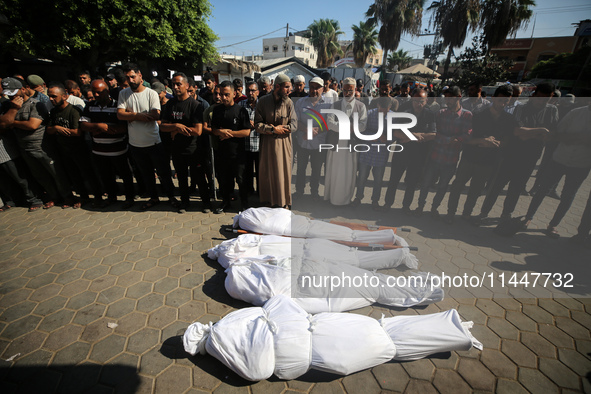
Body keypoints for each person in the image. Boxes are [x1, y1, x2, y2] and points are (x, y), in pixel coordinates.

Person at [476, 82, 559, 222]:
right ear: (533, 95)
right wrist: (541, 131)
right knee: (496, 186)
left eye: (546, 99)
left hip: (531, 157)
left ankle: (506, 214)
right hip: (510, 154)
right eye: (539, 97)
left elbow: (551, 135)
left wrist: (529, 133)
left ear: (551, 98)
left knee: (516, 188)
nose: (541, 101)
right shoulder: (522, 108)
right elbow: (517, 132)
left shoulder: (552, 110)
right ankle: (484, 212)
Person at [445, 85, 515, 224]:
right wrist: (481, 141)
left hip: (488, 162)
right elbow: (466, 138)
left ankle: (467, 213)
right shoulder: (478, 115)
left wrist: (497, 144)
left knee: (476, 190)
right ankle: (450, 212)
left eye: (506, 101)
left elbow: (507, 140)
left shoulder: (508, 119)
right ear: (493, 98)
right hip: (469, 158)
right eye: (500, 100)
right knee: (457, 186)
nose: (502, 104)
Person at [523, 97, 591, 238]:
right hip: (559, 159)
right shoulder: (576, 113)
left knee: (568, 195)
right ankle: (528, 217)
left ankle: (553, 224)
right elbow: (557, 134)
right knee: (543, 189)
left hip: (581, 165)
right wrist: (579, 138)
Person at [117, 62, 180, 211]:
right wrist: (138, 115)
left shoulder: (151, 93)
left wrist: (130, 115)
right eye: (127, 78)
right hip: (135, 144)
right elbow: (120, 114)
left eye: (133, 76)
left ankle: (171, 196)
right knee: (146, 174)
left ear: (140, 75)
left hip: (153, 141)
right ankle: (153, 198)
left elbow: (155, 115)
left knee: (163, 172)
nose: (130, 80)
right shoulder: (123, 94)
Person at [0, 77, 71, 209]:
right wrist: (14, 109)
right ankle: (54, 197)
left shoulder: (36, 104)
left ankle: (67, 196)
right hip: (24, 148)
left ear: (23, 89)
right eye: (9, 94)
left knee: (56, 173)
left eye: (14, 93)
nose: (12, 97)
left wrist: (13, 123)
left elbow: (33, 125)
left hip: (42, 147)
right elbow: (3, 124)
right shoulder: (9, 107)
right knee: (41, 175)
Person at [415, 86, 472, 218]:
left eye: (450, 98)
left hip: (451, 160)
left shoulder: (467, 115)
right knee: (425, 185)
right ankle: (420, 206)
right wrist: (450, 139)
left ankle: (434, 208)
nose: (447, 101)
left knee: (442, 187)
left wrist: (456, 139)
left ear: (458, 98)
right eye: (446, 98)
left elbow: (468, 134)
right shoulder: (440, 114)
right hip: (435, 156)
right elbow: (435, 133)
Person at [159, 72, 210, 213]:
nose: (175, 87)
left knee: (199, 177)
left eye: (178, 84)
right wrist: (176, 126)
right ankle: (185, 203)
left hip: (193, 149)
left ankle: (206, 203)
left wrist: (177, 129)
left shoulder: (195, 105)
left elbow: (197, 130)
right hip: (176, 149)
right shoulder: (170, 104)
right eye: (173, 84)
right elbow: (162, 126)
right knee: (181, 178)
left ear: (187, 86)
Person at [80, 79, 135, 209]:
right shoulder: (89, 106)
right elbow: (83, 124)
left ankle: (129, 197)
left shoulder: (118, 106)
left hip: (118, 148)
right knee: (105, 175)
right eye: (94, 92)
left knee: (125, 174)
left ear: (107, 92)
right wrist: (98, 126)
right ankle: (111, 197)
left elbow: (124, 127)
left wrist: (107, 129)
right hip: (99, 150)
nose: (96, 95)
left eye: (99, 92)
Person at [46, 83, 103, 207]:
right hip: (64, 149)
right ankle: (83, 197)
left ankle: (98, 197)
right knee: (74, 175)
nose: (51, 99)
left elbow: (77, 132)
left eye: (54, 96)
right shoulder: (54, 111)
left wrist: (59, 130)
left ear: (64, 96)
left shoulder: (73, 110)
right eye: (49, 96)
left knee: (88, 174)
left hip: (79, 148)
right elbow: (49, 130)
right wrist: (57, 128)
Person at [384, 88, 436, 213]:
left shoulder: (430, 114)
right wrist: (415, 136)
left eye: (422, 101)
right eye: (416, 101)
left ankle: (406, 206)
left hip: (418, 156)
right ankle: (387, 204)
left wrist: (410, 136)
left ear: (426, 100)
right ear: (412, 100)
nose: (419, 104)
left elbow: (433, 134)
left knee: (412, 183)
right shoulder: (403, 110)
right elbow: (394, 131)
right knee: (393, 181)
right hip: (402, 153)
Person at [255, 74, 297, 208]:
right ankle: (268, 201)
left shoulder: (289, 102)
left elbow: (294, 125)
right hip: (267, 144)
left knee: (282, 172)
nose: (289, 90)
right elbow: (257, 125)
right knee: (267, 172)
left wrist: (282, 128)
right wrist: (272, 129)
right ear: (277, 86)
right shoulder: (262, 101)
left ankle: (284, 202)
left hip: (284, 144)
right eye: (286, 87)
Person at [324, 77, 367, 206]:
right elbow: (330, 123)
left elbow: (363, 125)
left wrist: (344, 126)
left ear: (355, 90)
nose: (348, 93)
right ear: (342, 89)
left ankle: (346, 200)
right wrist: (348, 127)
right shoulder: (335, 105)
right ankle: (332, 198)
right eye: (346, 90)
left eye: (351, 90)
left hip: (350, 146)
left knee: (349, 173)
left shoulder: (361, 106)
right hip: (336, 145)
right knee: (334, 171)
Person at [211, 80, 252, 213]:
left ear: (234, 94)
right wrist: (219, 132)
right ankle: (225, 202)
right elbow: (214, 129)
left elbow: (246, 131)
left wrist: (230, 133)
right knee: (224, 180)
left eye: (226, 94)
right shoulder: (217, 110)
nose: (223, 97)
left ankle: (244, 203)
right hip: (222, 152)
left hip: (238, 153)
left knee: (241, 180)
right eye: (221, 94)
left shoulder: (241, 111)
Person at [293, 76, 331, 200]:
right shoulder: (300, 102)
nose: (314, 91)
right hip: (303, 141)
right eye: (312, 88)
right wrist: (307, 130)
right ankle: (299, 191)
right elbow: (296, 121)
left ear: (323, 88)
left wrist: (315, 131)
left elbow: (329, 123)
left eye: (317, 88)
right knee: (301, 168)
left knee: (316, 169)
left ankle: (314, 192)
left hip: (319, 143)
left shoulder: (329, 104)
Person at [352, 96, 393, 210]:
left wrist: (388, 138)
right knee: (361, 178)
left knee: (378, 180)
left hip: (381, 154)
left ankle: (375, 201)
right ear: (378, 105)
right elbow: (360, 130)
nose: (383, 113)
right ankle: (358, 197)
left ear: (390, 108)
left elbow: (395, 134)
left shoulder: (393, 117)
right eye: (381, 110)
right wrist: (370, 136)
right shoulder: (369, 114)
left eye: (386, 111)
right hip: (367, 152)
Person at [240, 81, 261, 197]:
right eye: (248, 90)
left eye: (253, 90)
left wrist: (256, 124)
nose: (250, 93)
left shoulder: (262, 105)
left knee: (260, 172)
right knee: (247, 172)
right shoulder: (241, 105)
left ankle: (260, 192)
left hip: (259, 145)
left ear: (257, 92)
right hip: (245, 144)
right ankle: (248, 191)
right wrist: (246, 123)